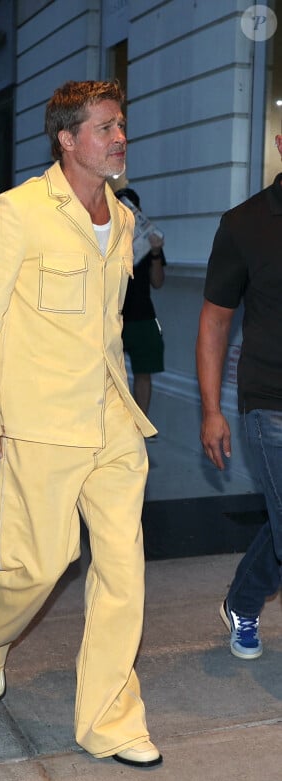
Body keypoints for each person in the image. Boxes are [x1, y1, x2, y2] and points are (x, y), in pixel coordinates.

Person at [0, 80, 162, 768]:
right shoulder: (18, 213)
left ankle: (110, 719)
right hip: (40, 419)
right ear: (67, 140)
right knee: (37, 564)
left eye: (121, 125)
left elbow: (106, 326)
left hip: (109, 417)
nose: (119, 138)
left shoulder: (125, 219)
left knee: (123, 568)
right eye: (105, 127)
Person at [196, 136, 282, 660]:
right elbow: (215, 320)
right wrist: (211, 410)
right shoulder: (245, 223)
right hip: (271, 399)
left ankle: (242, 601)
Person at [115, 187, 165, 417]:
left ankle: (141, 422)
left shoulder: (149, 238)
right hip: (113, 315)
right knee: (111, 374)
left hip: (142, 314)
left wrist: (155, 253)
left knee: (143, 371)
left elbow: (157, 282)